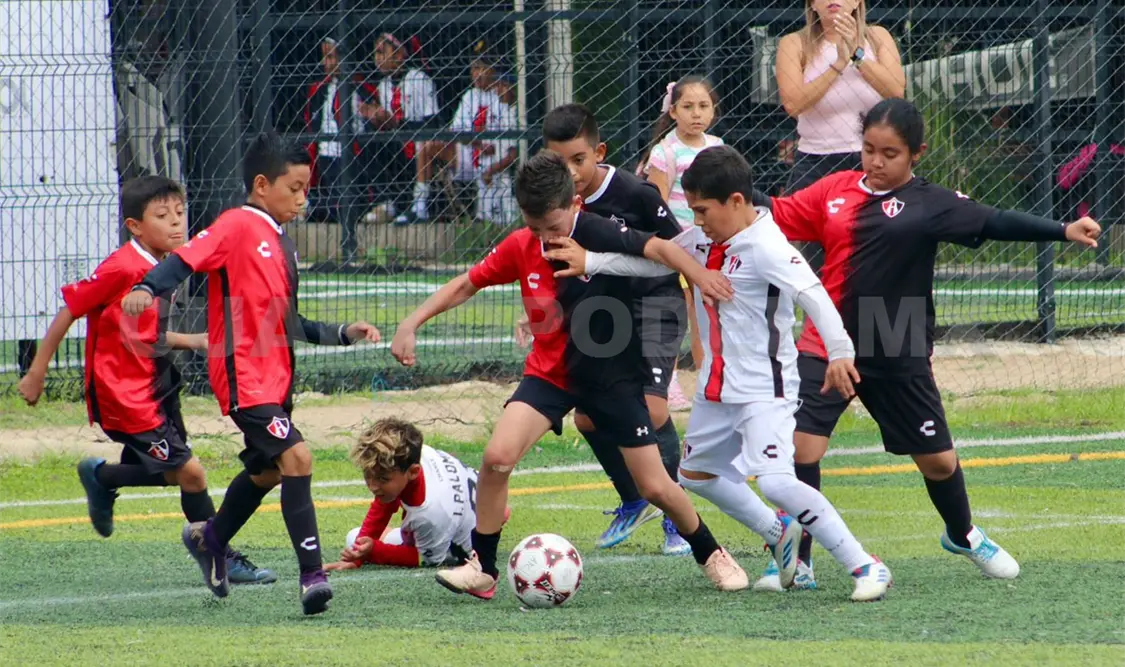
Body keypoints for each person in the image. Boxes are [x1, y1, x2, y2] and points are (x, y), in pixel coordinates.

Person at [751, 98, 1101, 590]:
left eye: (889, 152)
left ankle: (962, 533)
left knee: (937, 461)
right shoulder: (834, 191)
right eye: (869, 149)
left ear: (916, 152)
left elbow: (993, 220)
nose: (875, 161)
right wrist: (734, 195)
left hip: (896, 339)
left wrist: (1063, 230)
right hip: (829, 342)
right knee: (801, 451)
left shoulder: (931, 202)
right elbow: (781, 215)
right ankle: (799, 560)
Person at [390, 151, 750, 598]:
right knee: (496, 458)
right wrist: (412, 322)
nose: (545, 238)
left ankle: (711, 552)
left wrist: (700, 275)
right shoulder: (522, 245)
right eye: (535, 227)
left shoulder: (597, 231)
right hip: (551, 375)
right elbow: (468, 282)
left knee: (656, 486)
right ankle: (482, 567)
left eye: (554, 228)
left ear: (576, 205)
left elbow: (659, 247)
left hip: (610, 376)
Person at [543, 145, 895, 601]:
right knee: (695, 475)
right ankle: (779, 532)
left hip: (763, 387)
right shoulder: (706, 240)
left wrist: (840, 352)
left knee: (775, 481)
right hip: (716, 387)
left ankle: (865, 565)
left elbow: (813, 293)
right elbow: (659, 258)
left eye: (704, 210)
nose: (699, 220)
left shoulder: (767, 246)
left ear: (735, 201)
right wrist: (592, 262)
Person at [121, 132, 383, 615]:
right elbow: (184, 260)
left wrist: (343, 332)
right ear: (262, 185)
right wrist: (146, 286)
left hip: (276, 377)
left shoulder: (280, 242)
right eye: (295, 188)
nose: (303, 199)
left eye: (307, 189)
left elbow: (288, 321)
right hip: (243, 375)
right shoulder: (237, 224)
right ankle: (313, 578)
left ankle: (211, 539)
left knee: (266, 472)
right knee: (298, 459)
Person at [16, 176, 275, 586]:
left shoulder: (166, 265)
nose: (176, 224)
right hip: (125, 393)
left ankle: (103, 477)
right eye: (161, 216)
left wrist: (193, 340)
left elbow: (139, 332)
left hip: (157, 386)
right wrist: (37, 370)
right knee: (191, 474)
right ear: (135, 226)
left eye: (179, 213)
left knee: (174, 471)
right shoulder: (123, 266)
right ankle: (216, 550)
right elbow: (71, 309)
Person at [538, 102, 690, 556]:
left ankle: (676, 516)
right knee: (587, 417)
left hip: (655, 303)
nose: (570, 171)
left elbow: (676, 249)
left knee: (655, 411)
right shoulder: (554, 203)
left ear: (598, 151)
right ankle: (633, 498)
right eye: (558, 161)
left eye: (578, 160)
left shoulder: (636, 194)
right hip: (602, 312)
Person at [324, 418, 509, 570]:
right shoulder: (419, 454)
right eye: (368, 475)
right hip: (470, 506)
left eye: (382, 479)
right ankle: (495, 514)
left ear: (413, 471)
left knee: (354, 538)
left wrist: (373, 550)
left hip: (458, 544)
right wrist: (358, 554)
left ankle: (487, 520)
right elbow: (384, 502)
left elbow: (423, 558)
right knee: (358, 539)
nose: (372, 486)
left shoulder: (431, 513)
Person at [641, 76, 724, 382]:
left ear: (713, 111)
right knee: (676, 312)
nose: (696, 113)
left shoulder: (718, 147)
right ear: (673, 111)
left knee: (706, 313)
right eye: (688, 106)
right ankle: (668, 380)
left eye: (703, 106)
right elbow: (656, 205)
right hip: (678, 246)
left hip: (711, 245)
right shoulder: (665, 153)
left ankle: (707, 374)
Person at [775, 0, 904, 194]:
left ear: (857, 2)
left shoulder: (878, 37)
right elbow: (793, 104)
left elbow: (895, 91)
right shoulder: (793, 43)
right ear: (812, 4)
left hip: (871, 157)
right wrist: (838, 64)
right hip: (815, 159)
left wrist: (856, 55)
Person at [360, 32, 440, 224]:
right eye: (375, 53)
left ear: (399, 55)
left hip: (418, 142)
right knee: (367, 141)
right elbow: (386, 122)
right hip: (394, 143)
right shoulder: (383, 85)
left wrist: (397, 123)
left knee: (421, 145)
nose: (377, 59)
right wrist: (374, 118)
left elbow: (433, 124)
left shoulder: (419, 79)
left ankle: (415, 206)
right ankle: (389, 202)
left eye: (381, 52)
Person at [304, 38, 380, 223]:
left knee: (345, 205)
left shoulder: (361, 87)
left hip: (352, 157)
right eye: (325, 57)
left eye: (331, 57)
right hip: (325, 155)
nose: (326, 63)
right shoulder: (320, 89)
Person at [477, 70, 520, 225]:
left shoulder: (514, 115)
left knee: (508, 220)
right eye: (498, 85)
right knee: (487, 219)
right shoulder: (495, 107)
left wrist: (491, 170)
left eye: (504, 85)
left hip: (504, 175)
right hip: (489, 169)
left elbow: (512, 156)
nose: (499, 90)